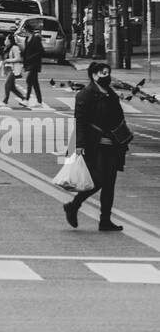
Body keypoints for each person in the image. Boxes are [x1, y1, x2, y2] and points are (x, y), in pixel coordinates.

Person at [63, 61, 131, 231]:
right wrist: (79, 146)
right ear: (94, 75)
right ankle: (74, 205)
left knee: (110, 184)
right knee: (97, 181)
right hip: (94, 146)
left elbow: (118, 117)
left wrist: (122, 135)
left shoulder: (111, 94)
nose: (106, 75)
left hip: (112, 145)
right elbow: (80, 122)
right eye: (102, 72)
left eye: (108, 72)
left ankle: (105, 220)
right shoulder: (85, 95)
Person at [0, 29, 28, 107]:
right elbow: (2, 60)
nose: (5, 41)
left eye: (6, 39)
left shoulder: (14, 48)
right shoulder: (6, 48)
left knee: (7, 84)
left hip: (14, 69)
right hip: (8, 69)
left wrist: (8, 60)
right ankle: (24, 99)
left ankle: (5, 101)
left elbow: (18, 58)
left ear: (10, 40)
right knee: (12, 87)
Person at [22, 17, 44, 106]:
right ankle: (39, 101)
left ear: (27, 30)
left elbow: (41, 51)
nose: (23, 32)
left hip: (34, 63)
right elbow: (26, 52)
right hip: (29, 63)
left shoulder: (36, 39)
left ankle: (26, 100)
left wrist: (31, 58)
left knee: (29, 81)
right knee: (34, 83)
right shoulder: (27, 39)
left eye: (24, 30)